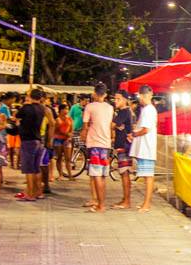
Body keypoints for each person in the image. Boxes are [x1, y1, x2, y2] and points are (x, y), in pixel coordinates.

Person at [81, 83, 114, 212]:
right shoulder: (110, 108)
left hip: (95, 144)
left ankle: (100, 205)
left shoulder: (89, 107)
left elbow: (85, 126)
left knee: (96, 176)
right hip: (106, 144)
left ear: (94, 93)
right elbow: (110, 125)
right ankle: (100, 203)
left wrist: (83, 137)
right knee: (102, 176)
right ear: (105, 94)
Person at [14, 88, 51, 201]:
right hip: (38, 140)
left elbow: (16, 117)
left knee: (29, 169)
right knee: (36, 168)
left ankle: (30, 194)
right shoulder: (42, 108)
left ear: (30, 96)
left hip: (28, 140)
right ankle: (38, 192)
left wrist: (19, 123)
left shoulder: (26, 108)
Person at [128, 85, 157, 212]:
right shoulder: (147, 109)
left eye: (139, 96)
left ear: (142, 96)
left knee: (148, 176)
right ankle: (146, 203)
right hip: (145, 148)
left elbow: (145, 130)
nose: (139, 99)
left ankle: (147, 204)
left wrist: (134, 134)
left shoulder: (149, 110)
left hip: (146, 148)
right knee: (146, 176)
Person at [110, 90, 134, 208]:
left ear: (125, 100)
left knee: (124, 173)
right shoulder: (123, 112)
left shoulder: (124, 112)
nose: (115, 101)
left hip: (124, 146)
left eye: (118, 99)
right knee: (124, 173)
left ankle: (127, 201)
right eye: (115, 99)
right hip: (123, 145)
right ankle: (125, 199)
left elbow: (112, 125)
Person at [52, 105, 73, 179]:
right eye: (65, 109)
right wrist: (66, 133)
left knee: (68, 158)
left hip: (67, 140)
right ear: (60, 110)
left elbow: (71, 129)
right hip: (58, 139)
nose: (66, 110)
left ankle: (70, 175)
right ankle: (60, 175)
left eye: (67, 109)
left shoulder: (69, 119)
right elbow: (55, 130)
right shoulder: (57, 119)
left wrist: (70, 136)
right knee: (59, 158)